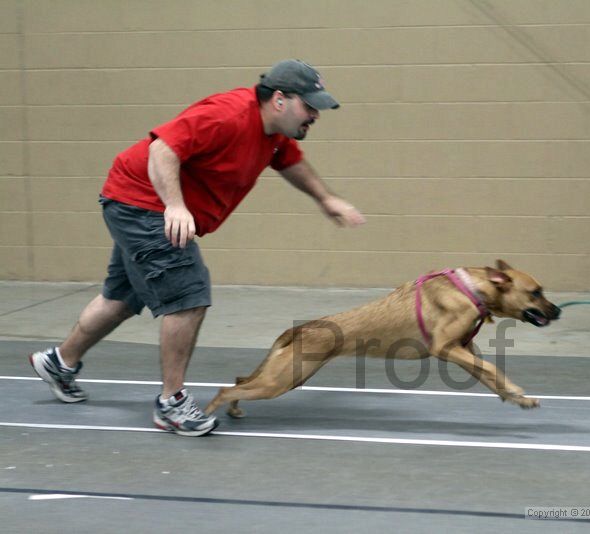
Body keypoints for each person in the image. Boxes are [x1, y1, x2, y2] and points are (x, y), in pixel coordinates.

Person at [28, 59, 365, 436]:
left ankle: (60, 362)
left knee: (121, 297)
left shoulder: (274, 134)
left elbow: (290, 163)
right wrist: (174, 205)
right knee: (188, 296)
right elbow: (163, 149)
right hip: (143, 203)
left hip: (132, 199)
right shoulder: (227, 115)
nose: (315, 115)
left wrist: (325, 199)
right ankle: (171, 404)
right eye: (310, 106)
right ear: (280, 100)